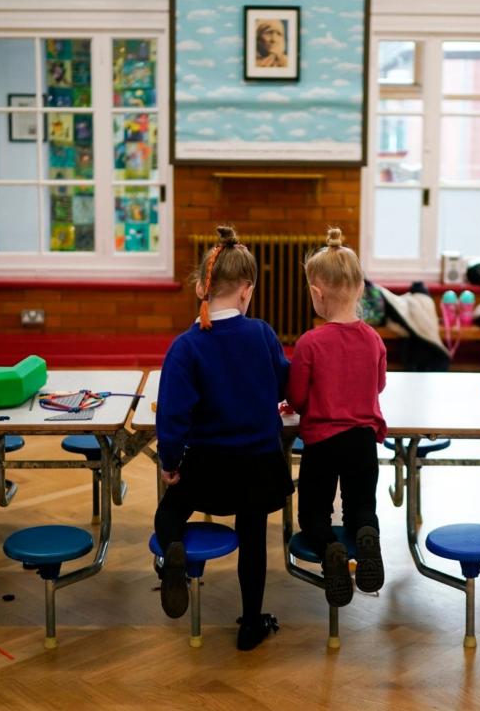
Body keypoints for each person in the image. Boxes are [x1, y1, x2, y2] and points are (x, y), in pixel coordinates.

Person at [154, 225, 293, 650]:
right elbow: (286, 385)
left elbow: (173, 416)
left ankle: (172, 554)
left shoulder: (186, 346)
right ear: (247, 292)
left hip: (207, 473)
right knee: (254, 541)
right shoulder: (264, 334)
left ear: (201, 287)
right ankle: (251, 624)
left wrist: (171, 464)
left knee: (168, 514)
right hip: (258, 470)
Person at [286, 227, 388, 607]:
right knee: (363, 506)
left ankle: (329, 548)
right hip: (362, 440)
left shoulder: (310, 342)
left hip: (322, 443)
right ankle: (367, 538)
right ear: (361, 289)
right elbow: (377, 386)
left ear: (316, 292)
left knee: (314, 512)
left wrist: (296, 404)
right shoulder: (374, 339)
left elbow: (296, 397)